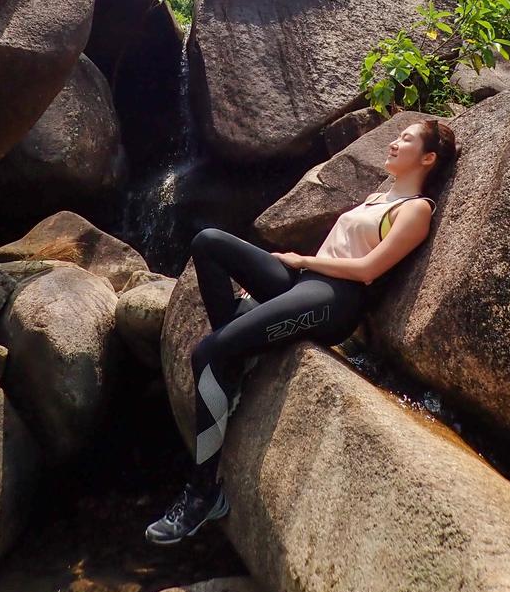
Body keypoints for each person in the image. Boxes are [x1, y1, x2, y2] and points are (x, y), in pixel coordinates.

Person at [145, 118, 456, 545]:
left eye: (406, 139)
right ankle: (233, 362)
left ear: (428, 158)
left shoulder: (415, 210)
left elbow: (368, 271)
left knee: (208, 352)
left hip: (335, 301)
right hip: (304, 284)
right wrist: (300, 266)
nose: (393, 141)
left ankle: (203, 495)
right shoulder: (377, 197)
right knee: (209, 241)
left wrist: (303, 260)